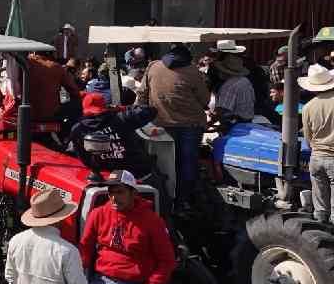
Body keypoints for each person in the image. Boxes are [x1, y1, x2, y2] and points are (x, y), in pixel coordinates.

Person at [141, 44, 208, 203]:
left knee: (164, 163)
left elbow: (142, 93)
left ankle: (165, 197)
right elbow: (205, 100)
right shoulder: (193, 71)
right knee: (188, 162)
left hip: (160, 123)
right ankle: (184, 200)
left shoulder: (153, 67)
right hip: (190, 124)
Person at [69, 93, 157, 178]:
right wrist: (121, 108)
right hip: (137, 175)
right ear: (106, 107)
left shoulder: (77, 129)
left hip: (105, 177)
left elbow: (83, 159)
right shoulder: (122, 118)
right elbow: (151, 110)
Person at [299, 64, 334, 224]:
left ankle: (322, 230)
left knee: (320, 206)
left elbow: (308, 137)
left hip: (317, 156)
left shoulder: (308, 107)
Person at [210, 53, 255, 123]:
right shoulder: (245, 81)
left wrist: (211, 120)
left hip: (234, 123)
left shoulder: (229, 86)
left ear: (224, 72)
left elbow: (223, 109)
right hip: (248, 120)